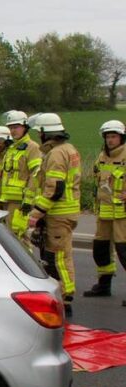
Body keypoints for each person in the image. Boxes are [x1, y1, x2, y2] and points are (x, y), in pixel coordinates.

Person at [26, 113, 81, 315]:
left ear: (46, 133)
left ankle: (65, 298)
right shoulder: (69, 150)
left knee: (58, 257)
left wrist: (37, 212)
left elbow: (54, 188)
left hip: (58, 213)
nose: (39, 135)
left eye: (40, 132)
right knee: (61, 254)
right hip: (66, 212)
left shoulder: (57, 154)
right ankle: (64, 295)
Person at [83, 120, 126, 299]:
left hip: (123, 212)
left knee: (124, 251)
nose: (110, 140)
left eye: (114, 136)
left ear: (121, 137)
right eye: (108, 136)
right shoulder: (102, 156)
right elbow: (97, 178)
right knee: (100, 249)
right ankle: (104, 285)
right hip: (105, 210)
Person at [0, 110, 42, 238]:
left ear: (25, 127)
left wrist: (28, 200)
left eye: (16, 127)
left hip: (21, 203)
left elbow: (36, 174)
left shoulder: (32, 147)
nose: (13, 131)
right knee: (9, 238)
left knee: (20, 238)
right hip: (7, 200)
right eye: (11, 127)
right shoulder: (12, 148)